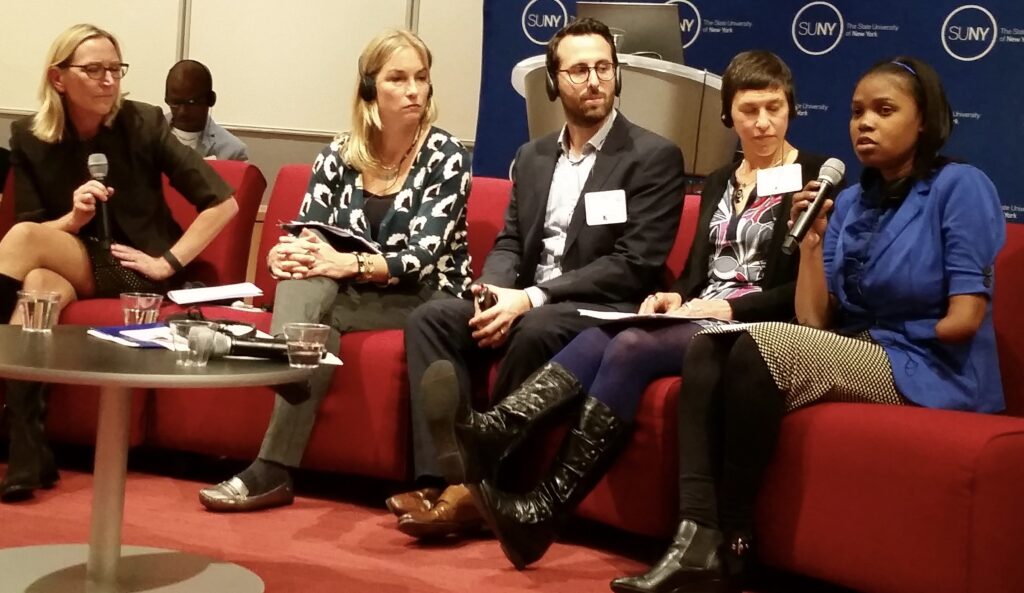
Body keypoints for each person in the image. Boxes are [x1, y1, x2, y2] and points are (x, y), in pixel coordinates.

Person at [610, 55, 1005, 593]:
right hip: (862, 350)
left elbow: (964, 319)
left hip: (934, 366)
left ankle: (737, 538)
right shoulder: (851, 202)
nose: (864, 123)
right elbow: (814, 318)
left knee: (760, 344)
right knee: (711, 348)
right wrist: (814, 242)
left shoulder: (961, 185)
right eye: (856, 111)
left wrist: (895, 330)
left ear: (924, 120)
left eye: (884, 110)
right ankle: (696, 534)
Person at [421, 50, 830, 568]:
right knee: (598, 336)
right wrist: (674, 296)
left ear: (791, 108)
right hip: (698, 313)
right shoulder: (722, 181)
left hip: (758, 327)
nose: (763, 122)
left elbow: (803, 286)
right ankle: (507, 441)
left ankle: (539, 501)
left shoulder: (812, 177)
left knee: (631, 343)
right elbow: (695, 273)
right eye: (750, 110)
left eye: (775, 108)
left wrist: (729, 310)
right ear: (729, 116)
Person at [393, 17, 686, 539]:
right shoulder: (531, 158)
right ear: (554, 82)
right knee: (432, 317)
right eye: (578, 70)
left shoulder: (653, 156)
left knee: (535, 327)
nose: (594, 80)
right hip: (527, 297)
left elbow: (633, 264)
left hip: (601, 308)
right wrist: (492, 292)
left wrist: (529, 297)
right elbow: (510, 240)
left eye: (604, 68)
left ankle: (481, 490)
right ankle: (441, 475)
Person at [198, 29, 472, 512]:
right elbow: (311, 232)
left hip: (428, 296)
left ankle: (277, 414)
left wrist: (346, 262)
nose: (414, 90)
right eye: (398, 78)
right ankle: (279, 453)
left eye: (422, 78)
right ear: (370, 90)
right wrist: (283, 254)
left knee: (311, 306)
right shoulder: (338, 153)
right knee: (308, 303)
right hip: (353, 295)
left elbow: (422, 256)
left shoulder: (446, 156)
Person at [0, 24, 239, 502]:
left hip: (134, 268)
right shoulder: (29, 137)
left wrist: (168, 261)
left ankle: (17, 436)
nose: (109, 80)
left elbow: (224, 203)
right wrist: (75, 215)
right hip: (73, 259)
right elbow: (40, 228)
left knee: (23, 242)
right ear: (59, 77)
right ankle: (29, 449)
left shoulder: (145, 122)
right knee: (39, 285)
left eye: (115, 69)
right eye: (94, 70)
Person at [164, 59, 249, 161]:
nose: (182, 111)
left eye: (191, 103)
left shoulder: (232, 152)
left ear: (211, 100)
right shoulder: (148, 135)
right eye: (176, 102)